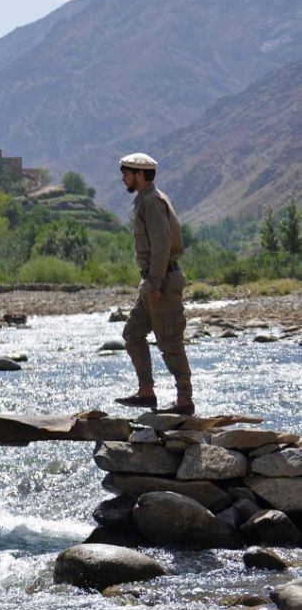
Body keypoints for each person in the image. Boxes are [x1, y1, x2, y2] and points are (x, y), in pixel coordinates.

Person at [114, 152, 193, 415]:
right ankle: (146, 392)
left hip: (162, 281)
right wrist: (151, 283)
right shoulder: (146, 200)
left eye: (127, 173)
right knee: (132, 333)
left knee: (169, 340)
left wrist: (156, 283)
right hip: (152, 281)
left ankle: (184, 400)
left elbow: (162, 245)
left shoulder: (152, 202)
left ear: (140, 175)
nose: (123, 178)